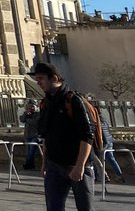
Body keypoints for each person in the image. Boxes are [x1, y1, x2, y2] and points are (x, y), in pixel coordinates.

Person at [32, 61, 96, 211]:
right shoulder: (46, 103)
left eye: (41, 78)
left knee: (85, 207)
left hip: (76, 163)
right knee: (54, 207)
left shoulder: (73, 100)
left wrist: (80, 166)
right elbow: (46, 136)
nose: (38, 83)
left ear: (54, 78)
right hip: (54, 164)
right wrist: (45, 163)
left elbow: (87, 135)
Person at [88, 95, 124, 184]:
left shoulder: (96, 120)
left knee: (96, 159)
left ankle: (99, 176)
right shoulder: (104, 119)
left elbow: (97, 132)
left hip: (102, 142)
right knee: (111, 159)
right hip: (109, 141)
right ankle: (119, 175)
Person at [21, 99, 42, 171]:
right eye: (30, 106)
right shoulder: (27, 113)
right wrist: (26, 114)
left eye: (32, 106)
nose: (31, 108)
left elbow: (35, 122)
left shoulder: (38, 114)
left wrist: (27, 119)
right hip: (27, 134)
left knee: (32, 150)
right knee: (28, 150)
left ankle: (30, 164)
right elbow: (22, 119)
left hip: (35, 135)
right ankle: (29, 163)